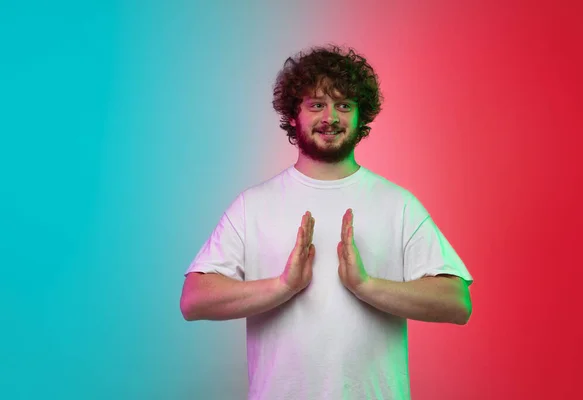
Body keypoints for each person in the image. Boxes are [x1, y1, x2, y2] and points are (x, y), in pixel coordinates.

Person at [180, 45, 473, 400]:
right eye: (317, 104)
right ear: (293, 115)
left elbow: (457, 303)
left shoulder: (398, 204)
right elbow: (194, 300)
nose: (330, 117)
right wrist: (283, 286)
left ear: (360, 117)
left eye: (344, 105)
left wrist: (365, 286)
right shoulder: (252, 206)